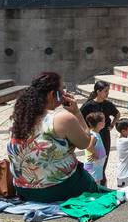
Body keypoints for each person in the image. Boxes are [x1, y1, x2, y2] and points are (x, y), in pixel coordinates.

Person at [6, 71, 99, 203]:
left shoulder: (20, 118)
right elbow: (85, 143)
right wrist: (77, 113)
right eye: (61, 91)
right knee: (89, 181)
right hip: (57, 189)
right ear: (52, 94)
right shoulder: (62, 118)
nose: (64, 95)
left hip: (24, 190)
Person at [81, 81, 119, 186]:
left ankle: (102, 181)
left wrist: (112, 125)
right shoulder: (88, 105)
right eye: (105, 91)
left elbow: (117, 113)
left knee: (103, 158)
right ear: (98, 91)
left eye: (108, 91)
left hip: (105, 135)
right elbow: (79, 117)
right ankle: (96, 183)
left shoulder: (108, 104)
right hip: (93, 134)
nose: (107, 93)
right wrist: (86, 130)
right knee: (93, 161)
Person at [81, 110, 108, 184]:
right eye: (104, 121)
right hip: (94, 165)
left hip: (96, 165)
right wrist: (96, 154)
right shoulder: (94, 135)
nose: (105, 122)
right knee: (94, 184)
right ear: (99, 124)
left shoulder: (94, 133)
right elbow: (89, 146)